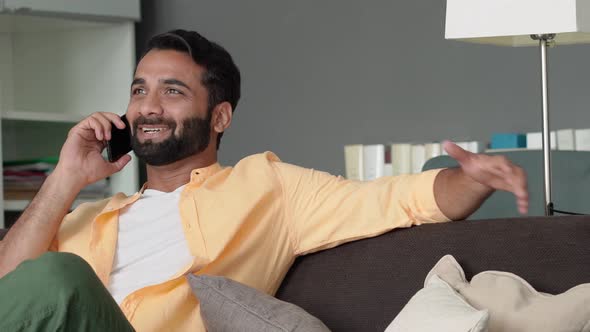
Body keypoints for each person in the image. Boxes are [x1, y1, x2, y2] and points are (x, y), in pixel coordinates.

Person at [0, 29, 528, 331]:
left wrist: (472, 179)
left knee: (59, 278)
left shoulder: (266, 188)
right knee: (49, 276)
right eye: (139, 91)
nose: (148, 106)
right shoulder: (91, 214)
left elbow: (397, 201)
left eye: (173, 92)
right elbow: (8, 286)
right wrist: (66, 177)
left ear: (221, 117)